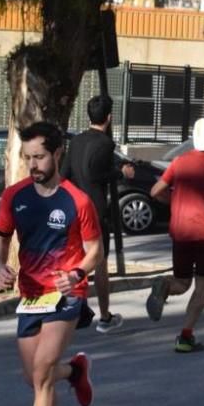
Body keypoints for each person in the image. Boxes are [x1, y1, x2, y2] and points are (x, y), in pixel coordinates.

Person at [0, 121, 100, 406]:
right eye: (27, 158)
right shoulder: (15, 196)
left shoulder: (77, 200)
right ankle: (75, 371)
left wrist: (77, 275)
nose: (33, 165)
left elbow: (94, 250)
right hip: (32, 295)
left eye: (39, 157)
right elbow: (2, 236)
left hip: (67, 294)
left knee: (41, 372)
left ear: (57, 154)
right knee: (33, 376)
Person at [146, 118, 204, 352]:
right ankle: (185, 337)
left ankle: (165, 285)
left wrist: (173, 201)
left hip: (180, 232)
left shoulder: (179, 162)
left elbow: (155, 190)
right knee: (201, 286)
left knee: (182, 282)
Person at [60, 95, 135, 334]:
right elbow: (96, 173)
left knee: (74, 261)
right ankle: (104, 317)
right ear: (109, 118)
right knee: (100, 263)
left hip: (73, 209)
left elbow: (64, 175)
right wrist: (121, 173)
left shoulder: (77, 141)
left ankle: (70, 310)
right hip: (95, 210)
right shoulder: (105, 143)